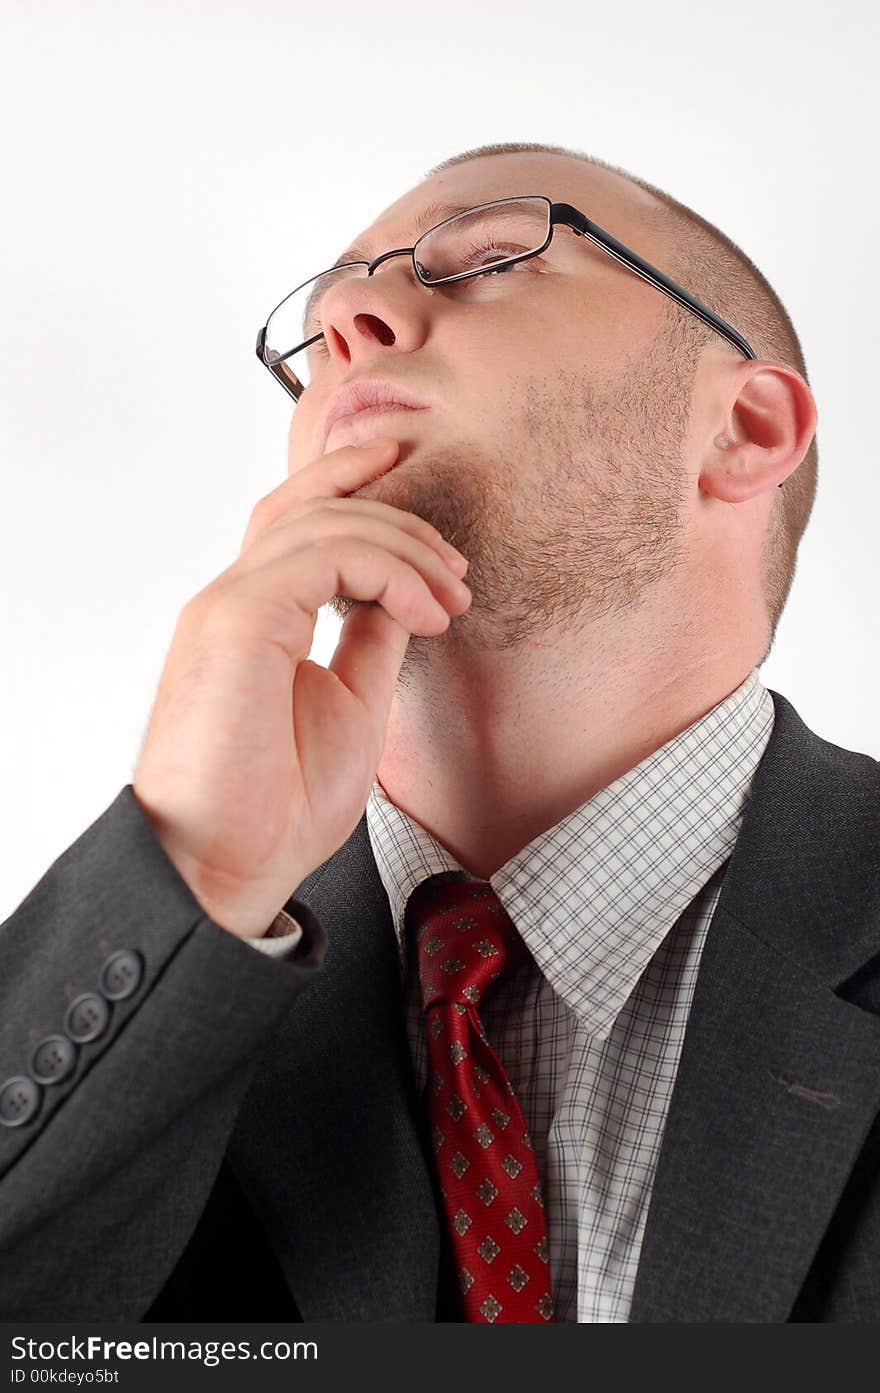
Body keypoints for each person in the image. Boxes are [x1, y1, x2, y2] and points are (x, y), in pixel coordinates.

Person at [1, 142, 878, 1325]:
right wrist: (192, 871)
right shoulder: (162, 995)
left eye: (484, 257)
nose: (351, 313)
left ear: (745, 426)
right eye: (317, 331)